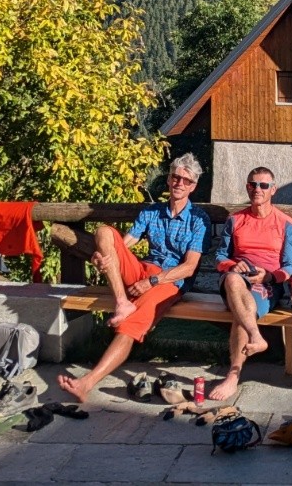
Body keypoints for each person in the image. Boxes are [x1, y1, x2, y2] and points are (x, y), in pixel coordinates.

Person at [57, 154, 210, 403]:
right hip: (142, 269)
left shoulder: (198, 219)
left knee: (129, 326)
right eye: (175, 177)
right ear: (168, 180)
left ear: (193, 186)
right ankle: (121, 302)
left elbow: (189, 267)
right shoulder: (152, 212)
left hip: (169, 282)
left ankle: (87, 382)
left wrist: (152, 282)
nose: (179, 183)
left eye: (186, 180)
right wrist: (103, 256)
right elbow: (124, 246)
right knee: (104, 232)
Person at [209, 166, 292, 401]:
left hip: (266, 284)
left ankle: (232, 376)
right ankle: (256, 337)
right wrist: (232, 265)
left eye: (263, 185)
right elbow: (219, 256)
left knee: (243, 311)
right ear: (247, 187)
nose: (257, 189)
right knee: (231, 279)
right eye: (252, 184)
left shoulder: (287, 224)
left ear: (273, 190)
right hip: (236, 279)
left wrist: (268, 276)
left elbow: (289, 268)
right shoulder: (235, 220)